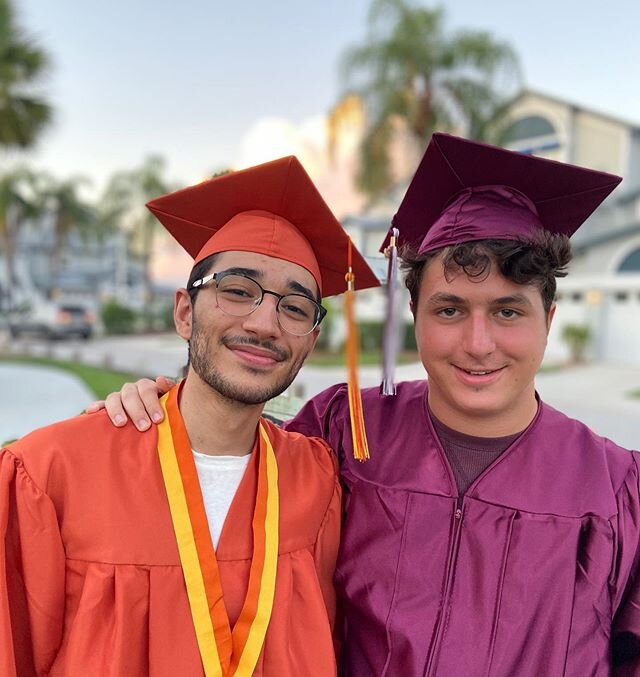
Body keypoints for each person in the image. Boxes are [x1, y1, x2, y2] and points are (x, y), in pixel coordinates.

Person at [100, 133, 640, 676]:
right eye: (449, 311)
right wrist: (161, 406)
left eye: (508, 312)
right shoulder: (343, 430)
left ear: (548, 319)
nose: (479, 343)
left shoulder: (615, 489)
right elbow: (235, 456)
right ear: (414, 314)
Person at [0, 156, 379, 677]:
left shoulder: (315, 480)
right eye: (238, 291)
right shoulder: (48, 472)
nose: (265, 322)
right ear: (184, 311)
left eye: (295, 307)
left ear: (311, 341)